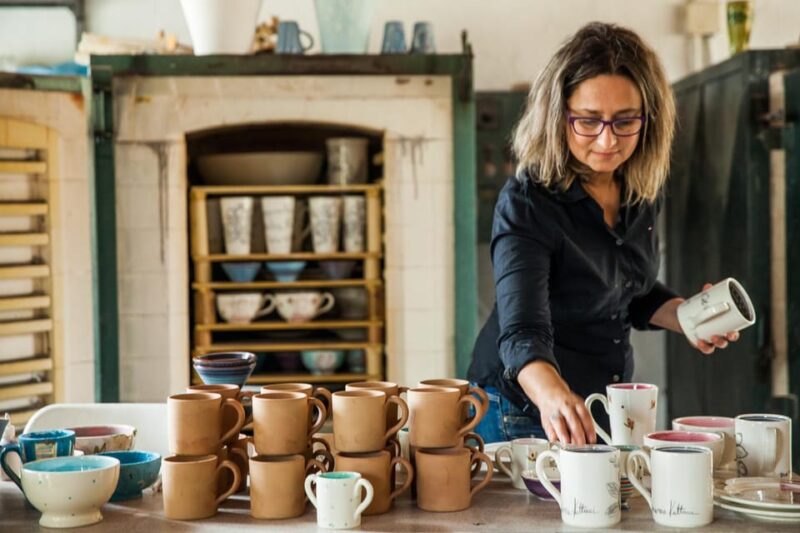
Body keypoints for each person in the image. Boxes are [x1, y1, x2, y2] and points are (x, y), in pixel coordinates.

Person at [467, 22, 739, 445]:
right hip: (520, 410)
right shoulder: (527, 201)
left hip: (600, 405)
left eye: (625, 121)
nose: (608, 141)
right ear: (559, 117)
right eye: (589, 121)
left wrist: (686, 316)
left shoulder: (639, 190)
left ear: (648, 120)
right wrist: (554, 395)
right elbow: (521, 332)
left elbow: (627, 291)